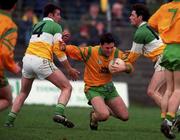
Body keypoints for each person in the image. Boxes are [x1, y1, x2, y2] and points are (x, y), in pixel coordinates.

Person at [4, 3, 80, 128]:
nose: (60, 17)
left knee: (23, 92)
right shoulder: (56, 26)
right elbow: (58, 50)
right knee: (67, 87)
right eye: (58, 14)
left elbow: (43, 41)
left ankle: (9, 121)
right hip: (41, 60)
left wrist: (61, 39)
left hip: (27, 60)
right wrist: (69, 68)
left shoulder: (36, 25)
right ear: (51, 15)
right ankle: (59, 113)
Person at [61, 33, 133, 130]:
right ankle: (94, 117)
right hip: (93, 89)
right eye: (107, 48)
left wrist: (125, 67)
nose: (110, 50)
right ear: (101, 45)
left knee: (125, 116)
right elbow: (76, 50)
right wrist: (65, 47)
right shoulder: (91, 51)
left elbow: (131, 68)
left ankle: (101, 109)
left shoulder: (116, 53)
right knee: (104, 116)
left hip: (109, 88)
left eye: (112, 47)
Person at [148, 0, 180, 139]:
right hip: (179, 49)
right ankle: (169, 120)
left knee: (169, 89)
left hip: (167, 50)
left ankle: (163, 119)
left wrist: (166, 31)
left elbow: (151, 24)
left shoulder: (164, 7)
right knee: (178, 89)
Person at [128, 4, 166, 107]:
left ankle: (175, 114)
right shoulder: (150, 26)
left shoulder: (140, 32)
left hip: (164, 60)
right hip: (169, 56)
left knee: (151, 91)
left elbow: (132, 58)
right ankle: (169, 120)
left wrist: (118, 62)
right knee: (163, 93)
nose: (130, 17)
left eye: (132, 15)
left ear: (140, 17)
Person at [0, 0, 21, 112]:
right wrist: (13, 67)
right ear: (14, 7)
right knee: (7, 99)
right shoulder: (10, 26)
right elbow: (4, 52)